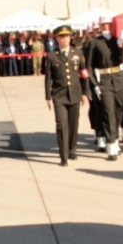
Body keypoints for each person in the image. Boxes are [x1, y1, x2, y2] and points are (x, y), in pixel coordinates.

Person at [44, 25, 88, 166]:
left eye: (67, 36)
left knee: (73, 124)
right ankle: (63, 156)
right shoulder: (52, 55)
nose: (64, 39)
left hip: (75, 93)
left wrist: (86, 93)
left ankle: (72, 149)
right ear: (57, 38)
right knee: (62, 125)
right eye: (61, 37)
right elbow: (48, 78)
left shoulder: (78, 53)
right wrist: (48, 96)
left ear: (70, 37)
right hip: (59, 95)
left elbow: (84, 74)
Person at [86, 16, 123, 160]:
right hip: (104, 80)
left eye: (108, 24)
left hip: (119, 79)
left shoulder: (117, 40)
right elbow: (89, 66)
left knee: (118, 111)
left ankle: (115, 139)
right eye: (103, 25)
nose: (105, 27)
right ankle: (110, 144)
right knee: (108, 111)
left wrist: (121, 45)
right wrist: (94, 85)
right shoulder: (95, 43)